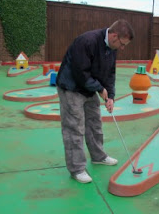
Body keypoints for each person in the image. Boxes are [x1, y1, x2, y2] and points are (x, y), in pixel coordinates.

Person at [56, 19, 134, 183]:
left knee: (94, 123)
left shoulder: (112, 48)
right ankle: (77, 169)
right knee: (74, 128)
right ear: (114, 36)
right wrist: (100, 88)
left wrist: (110, 96)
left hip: (89, 88)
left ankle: (98, 156)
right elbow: (81, 73)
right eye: (122, 44)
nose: (122, 48)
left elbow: (110, 73)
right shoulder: (87, 41)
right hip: (71, 87)